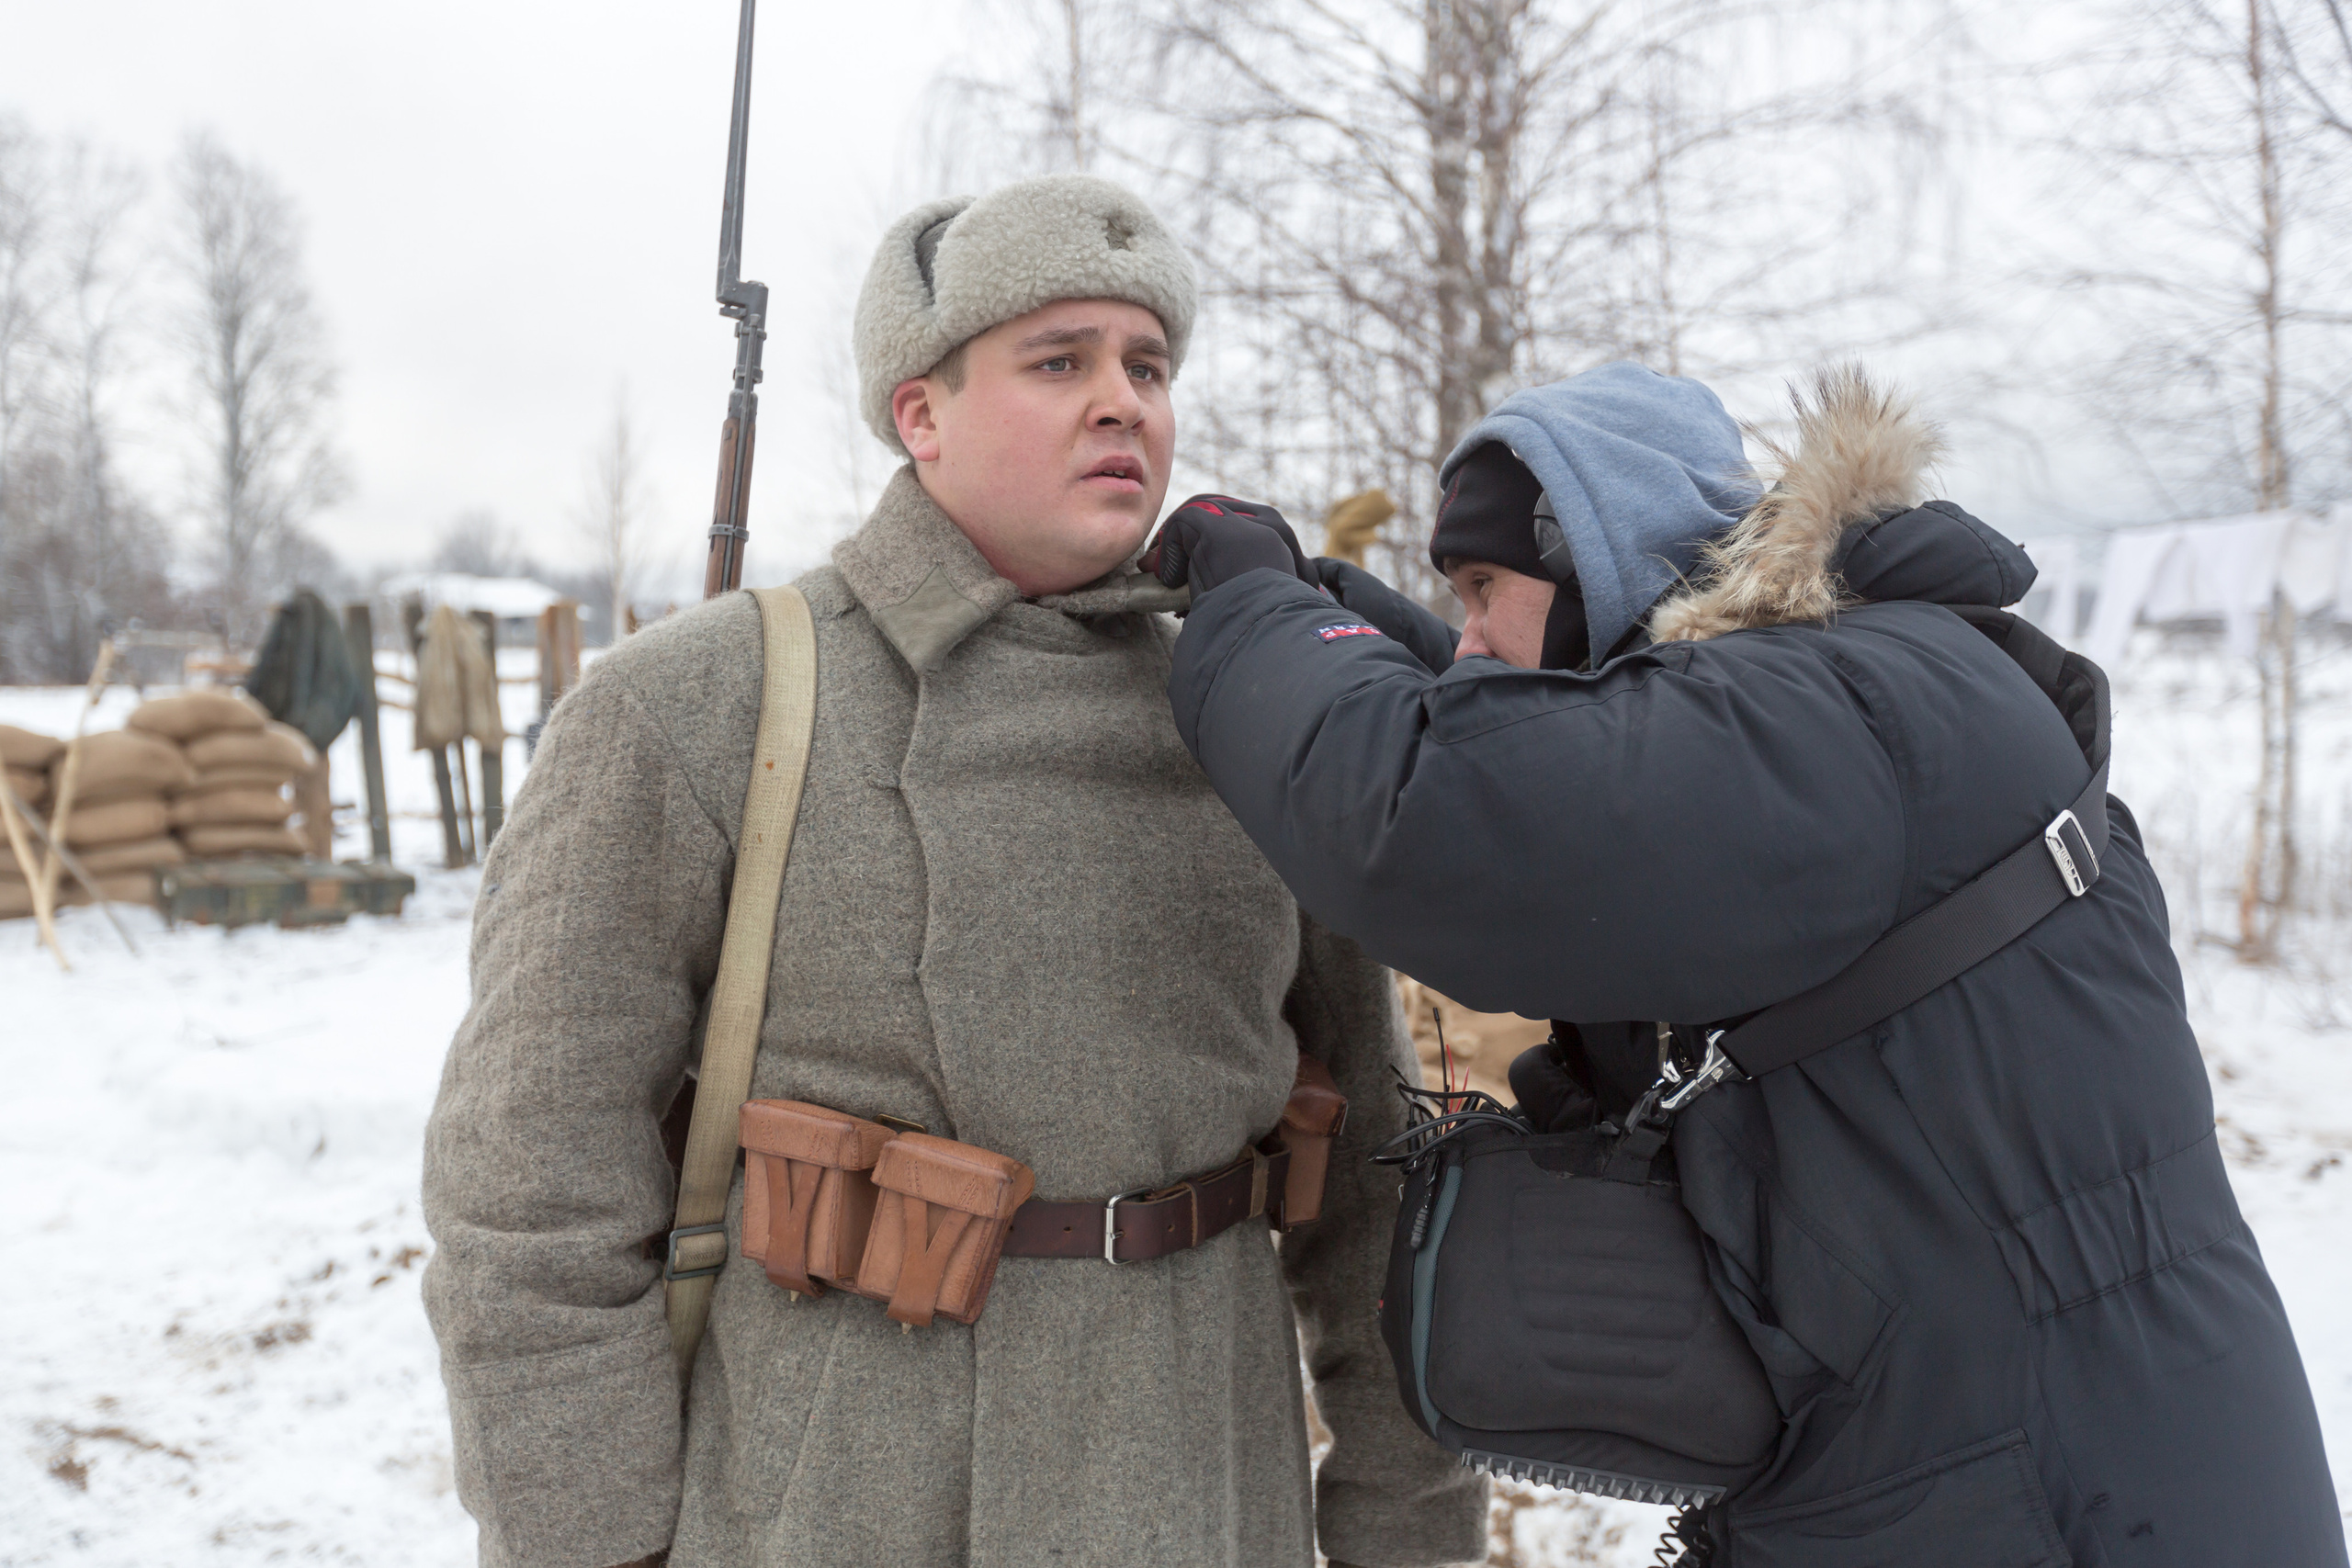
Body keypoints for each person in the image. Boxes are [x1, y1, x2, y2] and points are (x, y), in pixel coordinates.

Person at [419, 174, 1483, 1568]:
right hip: (841, 1500)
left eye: (1147, 365)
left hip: (1206, 1488)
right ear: (919, 414)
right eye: (1061, 361)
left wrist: (1408, 1525)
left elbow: (1374, 1189)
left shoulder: (1268, 722)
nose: (1126, 403)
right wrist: (591, 1545)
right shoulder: (697, 709)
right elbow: (531, 1190)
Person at [1147, 362, 2348, 1565]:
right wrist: (1333, 614)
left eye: (1479, 590)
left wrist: (1257, 602)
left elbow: (1425, 815)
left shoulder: (1830, 718)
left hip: (2055, 1502)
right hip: (2015, 1456)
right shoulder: (1847, 693)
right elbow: (1540, 732)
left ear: (1601, 563)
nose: (1465, 640)